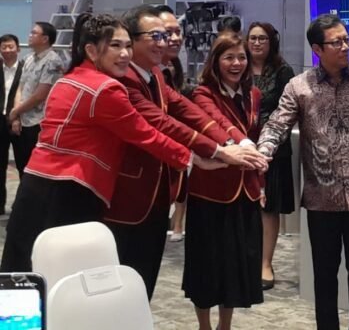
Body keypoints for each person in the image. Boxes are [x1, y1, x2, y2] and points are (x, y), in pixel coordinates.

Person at [0, 14, 224, 272]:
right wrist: (194, 158)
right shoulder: (105, 88)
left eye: (127, 45)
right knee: (62, 276)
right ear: (92, 50)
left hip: (35, 186)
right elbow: (145, 134)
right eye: (115, 46)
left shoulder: (71, 77)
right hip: (70, 190)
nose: (125, 54)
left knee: (22, 271)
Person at [104, 5, 269, 300]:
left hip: (158, 190)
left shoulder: (155, 73)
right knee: (121, 279)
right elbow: (162, 122)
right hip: (128, 195)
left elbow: (187, 110)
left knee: (143, 279)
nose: (166, 42)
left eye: (168, 34)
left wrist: (237, 142)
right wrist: (219, 151)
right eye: (156, 36)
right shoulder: (124, 79)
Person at [257, 14, 349, 330]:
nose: (346, 46)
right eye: (337, 42)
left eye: (347, 39)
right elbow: (277, 125)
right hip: (321, 199)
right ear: (317, 49)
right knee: (324, 275)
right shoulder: (299, 87)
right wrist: (261, 153)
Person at [184, 34, 266, 330]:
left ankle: (225, 325)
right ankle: (204, 325)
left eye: (241, 57)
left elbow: (256, 137)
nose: (236, 63)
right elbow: (219, 123)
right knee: (206, 266)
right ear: (215, 61)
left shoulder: (253, 94)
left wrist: (261, 184)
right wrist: (242, 143)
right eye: (228, 57)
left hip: (245, 190)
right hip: (210, 191)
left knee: (235, 268)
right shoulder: (202, 94)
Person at [246, 22, 295, 290]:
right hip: (241, 145)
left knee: (269, 207)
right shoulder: (238, 66)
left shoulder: (283, 70)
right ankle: (245, 260)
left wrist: (268, 142)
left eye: (262, 38)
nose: (256, 43)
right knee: (243, 206)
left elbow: (288, 111)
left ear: (271, 41)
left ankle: (265, 263)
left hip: (274, 149)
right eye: (252, 38)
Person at [9, 22, 63, 176]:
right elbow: (20, 87)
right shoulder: (28, 58)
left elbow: (40, 95)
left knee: (36, 170)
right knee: (22, 166)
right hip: (22, 120)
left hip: (38, 123)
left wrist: (16, 111)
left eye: (34, 33)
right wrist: (16, 116)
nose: (30, 35)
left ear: (45, 38)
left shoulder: (53, 61)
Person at [156, 5, 188, 243]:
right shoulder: (135, 76)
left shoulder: (167, 72)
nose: (175, 38)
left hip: (171, 153)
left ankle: (176, 225)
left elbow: (187, 110)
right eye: (168, 33)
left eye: (178, 32)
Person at [0, 34, 23, 214]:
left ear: (18, 48)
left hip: (19, 121)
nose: (7, 50)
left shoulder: (25, 69)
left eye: (10, 46)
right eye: (4, 47)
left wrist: (17, 116)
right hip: (0, 121)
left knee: (23, 164)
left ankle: (22, 207)